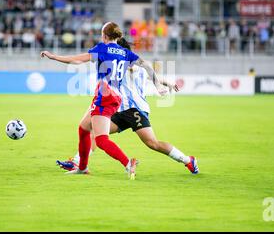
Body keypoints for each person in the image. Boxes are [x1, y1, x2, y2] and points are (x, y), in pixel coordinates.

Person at [40, 22, 166, 179]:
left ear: (105, 36)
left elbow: (78, 60)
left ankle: (128, 164)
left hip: (104, 96)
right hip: (114, 96)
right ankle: (82, 167)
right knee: (83, 128)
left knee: (100, 139)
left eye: (101, 34)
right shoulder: (125, 53)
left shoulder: (102, 48)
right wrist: (158, 85)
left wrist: (54, 57)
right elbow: (146, 65)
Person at [56, 38, 199, 175]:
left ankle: (187, 160)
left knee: (152, 143)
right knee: (95, 133)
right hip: (120, 110)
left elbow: (148, 72)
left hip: (135, 110)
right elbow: (152, 75)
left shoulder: (129, 65)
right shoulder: (121, 62)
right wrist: (167, 83)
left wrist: (165, 84)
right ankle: (77, 162)